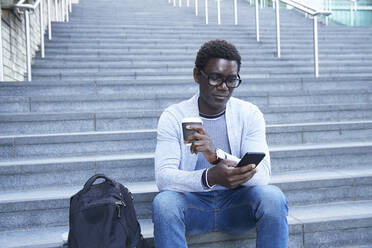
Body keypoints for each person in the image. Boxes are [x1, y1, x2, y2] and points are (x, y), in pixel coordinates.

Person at [152, 39, 288, 248]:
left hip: (237, 206)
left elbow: (262, 176)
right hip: (193, 206)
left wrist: (216, 156)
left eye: (231, 80)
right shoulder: (174, 116)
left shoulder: (249, 114)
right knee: (164, 204)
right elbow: (164, 177)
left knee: (273, 197)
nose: (224, 87)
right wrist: (208, 177)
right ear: (197, 75)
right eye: (215, 78)